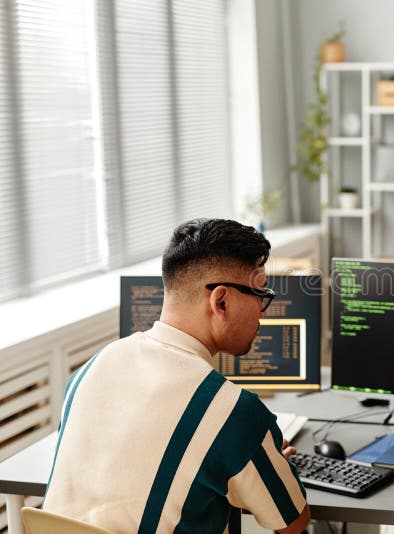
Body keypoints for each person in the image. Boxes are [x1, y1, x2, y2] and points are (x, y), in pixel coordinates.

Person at [44, 218, 310, 534]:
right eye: (260, 294)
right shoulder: (233, 412)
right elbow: (292, 523)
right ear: (221, 301)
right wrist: (264, 460)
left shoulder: (88, 370)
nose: (263, 311)